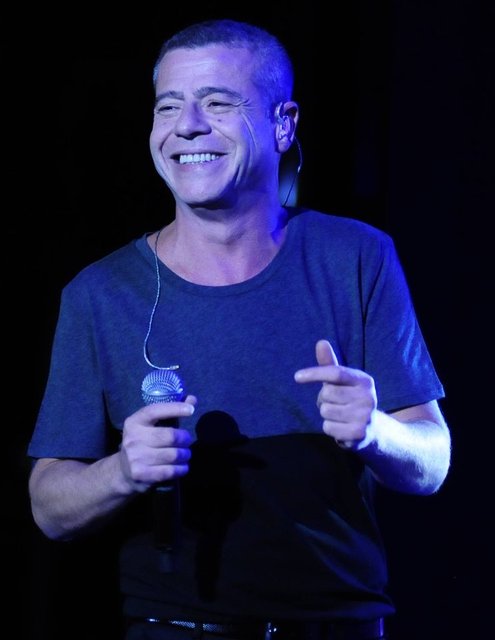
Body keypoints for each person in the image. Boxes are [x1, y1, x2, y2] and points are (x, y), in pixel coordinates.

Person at [27, 18, 451, 640]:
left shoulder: (356, 256)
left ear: (283, 125)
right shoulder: (100, 294)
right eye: (168, 106)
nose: (187, 125)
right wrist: (121, 472)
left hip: (336, 626)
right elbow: (48, 506)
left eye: (218, 103)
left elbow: (432, 461)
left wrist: (376, 432)